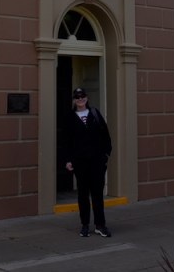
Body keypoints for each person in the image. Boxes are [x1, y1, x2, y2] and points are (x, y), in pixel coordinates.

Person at [62, 87, 112, 238]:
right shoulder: (70, 117)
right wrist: (68, 160)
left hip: (97, 161)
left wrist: (106, 154)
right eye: (77, 97)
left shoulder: (95, 113)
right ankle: (85, 225)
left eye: (82, 96)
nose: (80, 99)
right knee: (83, 194)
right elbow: (66, 141)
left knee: (97, 194)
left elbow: (105, 134)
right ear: (74, 100)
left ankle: (100, 225)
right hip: (80, 162)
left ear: (87, 98)